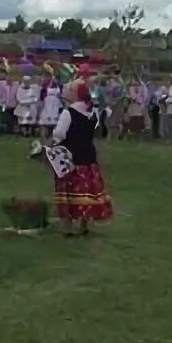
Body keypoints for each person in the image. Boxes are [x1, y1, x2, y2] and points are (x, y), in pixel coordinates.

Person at [51, 80, 113, 236]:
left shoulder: (68, 113)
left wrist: (54, 144)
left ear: (75, 94)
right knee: (86, 190)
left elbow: (59, 134)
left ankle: (68, 227)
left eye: (70, 90)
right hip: (88, 155)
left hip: (70, 157)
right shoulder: (91, 112)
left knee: (69, 191)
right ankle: (83, 225)